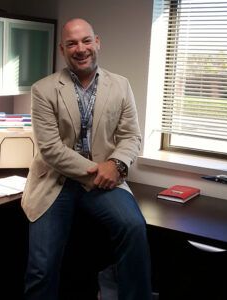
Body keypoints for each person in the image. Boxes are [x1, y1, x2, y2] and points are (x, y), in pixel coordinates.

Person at [21, 18, 152, 300]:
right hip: (55, 182)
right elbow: (51, 149)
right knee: (41, 267)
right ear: (62, 49)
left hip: (106, 180)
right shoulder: (43, 90)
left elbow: (131, 136)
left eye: (85, 41)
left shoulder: (121, 86)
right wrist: (99, 170)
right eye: (72, 43)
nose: (80, 49)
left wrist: (116, 165)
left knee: (134, 227)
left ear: (97, 42)